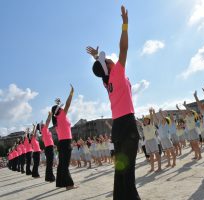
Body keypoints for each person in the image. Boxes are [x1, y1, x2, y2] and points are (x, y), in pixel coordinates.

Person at [86, 5, 140, 200]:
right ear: (109, 66)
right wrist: (125, 25)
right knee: (129, 171)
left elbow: (102, 71)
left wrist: (96, 58)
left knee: (121, 170)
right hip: (126, 124)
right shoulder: (116, 72)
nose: (109, 58)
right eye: (106, 59)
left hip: (117, 127)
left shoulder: (107, 81)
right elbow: (123, 48)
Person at [51, 85, 77, 190]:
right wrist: (71, 93)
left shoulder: (56, 119)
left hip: (62, 143)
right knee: (65, 164)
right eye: (61, 109)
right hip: (65, 143)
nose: (63, 109)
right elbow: (68, 104)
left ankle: (61, 183)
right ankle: (69, 185)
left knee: (62, 164)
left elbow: (64, 106)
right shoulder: (61, 116)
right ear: (59, 111)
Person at [37, 111, 56, 182]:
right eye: (42, 124)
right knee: (50, 164)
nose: (43, 124)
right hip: (49, 148)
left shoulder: (45, 130)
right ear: (41, 127)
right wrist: (50, 115)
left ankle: (49, 177)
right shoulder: (44, 129)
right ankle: (50, 178)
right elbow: (48, 121)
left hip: (49, 148)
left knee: (49, 164)